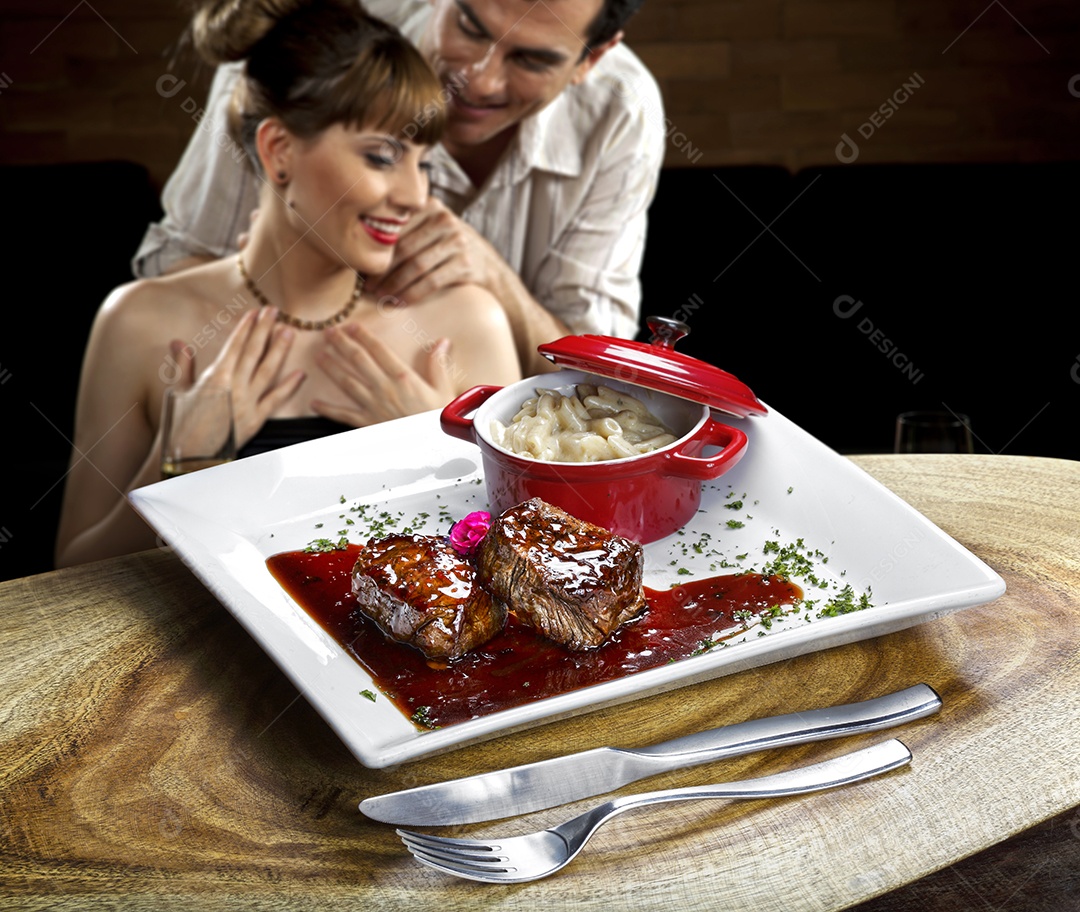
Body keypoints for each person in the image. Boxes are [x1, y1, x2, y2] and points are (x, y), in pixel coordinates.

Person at [54, 0, 521, 569]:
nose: (415, 196)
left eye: (423, 164)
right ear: (279, 152)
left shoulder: (467, 322)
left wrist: (432, 457)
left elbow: (521, 563)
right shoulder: (139, 321)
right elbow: (68, 573)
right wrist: (179, 468)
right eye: (382, 157)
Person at [134, 0, 665, 375]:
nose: (478, 80)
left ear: (591, 59)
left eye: (530, 59)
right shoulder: (303, 56)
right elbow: (178, 266)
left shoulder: (620, 113)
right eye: (470, 26)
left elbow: (601, 376)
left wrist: (494, 281)